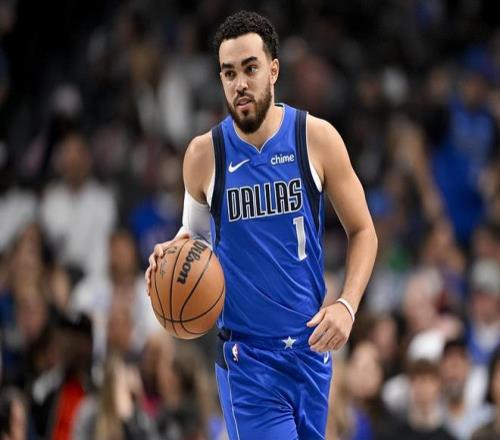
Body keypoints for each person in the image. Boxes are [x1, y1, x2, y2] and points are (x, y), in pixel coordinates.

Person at [146, 11, 377, 439]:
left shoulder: (316, 137)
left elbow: (363, 230)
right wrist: (169, 253)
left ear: (273, 70)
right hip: (247, 360)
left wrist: (347, 305)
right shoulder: (204, 155)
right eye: (228, 73)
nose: (239, 83)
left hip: (310, 349)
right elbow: (194, 238)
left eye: (250, 69)